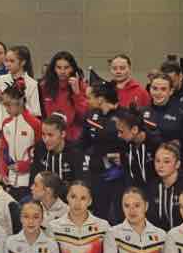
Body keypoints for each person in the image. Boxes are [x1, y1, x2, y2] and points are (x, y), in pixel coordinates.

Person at [142, 73, 183, 179]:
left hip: (173, 173)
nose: (158, 93)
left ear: (171, 91)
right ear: (149, 89)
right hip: (146, 172)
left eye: (163, 89)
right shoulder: (141, 113)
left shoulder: (181, 115)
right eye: (155, 88)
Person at [82, 80, 123, 221]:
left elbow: (130, 145)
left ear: (100, 99)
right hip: (96, 173)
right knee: (99, 215)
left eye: (89, 97)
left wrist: (121, 162)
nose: (87, 101)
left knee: (117, 216)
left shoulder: (123, 116)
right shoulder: (91, 115)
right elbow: (82, 143)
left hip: (119, 175)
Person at [0, 85, 41, 201]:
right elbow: (3, 150)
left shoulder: (35, 123)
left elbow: (40, 153)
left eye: (8, 104)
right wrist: (3, 172)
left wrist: (25, 166)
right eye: (4, 104)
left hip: (28, 181)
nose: (6, 109)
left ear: (20, 101)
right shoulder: (6, 123)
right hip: (10, 181)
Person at [39, 51, 88, 144]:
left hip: (72, 138)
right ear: (54, 69)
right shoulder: (44, 87)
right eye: (59, 67)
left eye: (66, 67)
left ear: (72, 68)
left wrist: (77, 93)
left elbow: (84, 115)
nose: (62, 71)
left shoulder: (81, 86)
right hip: (50, 137)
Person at [147, 142, 183, 232]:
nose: (160, 166)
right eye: (157, 161)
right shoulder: (151, 187)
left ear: (177, 164)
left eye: (166, 161)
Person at [0, 45, 41, 129]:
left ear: (23, 62)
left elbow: (36, 112)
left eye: (12, 61)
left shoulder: (32, 84)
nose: (7, 64)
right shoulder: (0, 80)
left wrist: (17, 104)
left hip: (23, 128)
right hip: (2, 127)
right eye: (6, 61)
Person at [30, 114, 83, 183]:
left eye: (50, 135)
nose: (46, 140)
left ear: (63, 134)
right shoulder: (39, 148)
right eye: (43, 134)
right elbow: (33, 180)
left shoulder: (75, 153)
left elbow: (80, 186)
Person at [116, 109, 155, 191]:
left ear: (134, 129)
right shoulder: (124, 143)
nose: (118, 135)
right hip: (132, 191)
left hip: (153, 192)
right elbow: (126, 169)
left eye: (121, 132)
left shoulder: (155, 143)